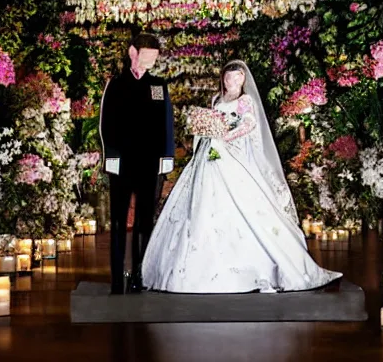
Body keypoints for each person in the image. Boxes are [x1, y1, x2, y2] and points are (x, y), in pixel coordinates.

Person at [142, 60, 341, 293]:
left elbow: (249, 124)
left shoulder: (245, 101)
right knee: (200, 202)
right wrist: (204, 130)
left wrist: (226, 136)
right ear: (223, 78)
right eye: (229, 76)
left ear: (243, 80)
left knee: (242, 203)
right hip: (208, 156)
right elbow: (208, 123)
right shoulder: (216, 100)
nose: (232, 81)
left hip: (230, 156)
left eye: (237, 77)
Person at [99, 33, 174, 294]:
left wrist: (166, 158)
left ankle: (139, 275)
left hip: (150, 164)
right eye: (147, 53)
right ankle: (117, 278)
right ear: (133, 52)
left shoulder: (157, 85)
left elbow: (166, 123)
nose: (152, 59)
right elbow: (105, 124)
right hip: (122, 163)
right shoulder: (117, 84)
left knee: (145, 221)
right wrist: (111, 158)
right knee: (119, 220)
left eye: (155, 54)